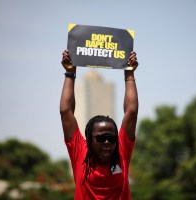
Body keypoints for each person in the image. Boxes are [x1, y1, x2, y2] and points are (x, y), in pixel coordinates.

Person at [60, 49, 139, 200]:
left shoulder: (121, 152)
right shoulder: (80, 151)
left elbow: (131, 111)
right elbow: (66, 111)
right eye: (101, 138)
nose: (107, 142)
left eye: (111, 138)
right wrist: (70, 72)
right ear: (89, 140)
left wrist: (129, 72)